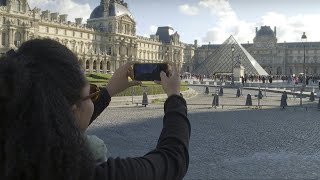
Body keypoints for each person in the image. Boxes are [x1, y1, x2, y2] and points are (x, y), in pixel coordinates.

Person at [0, 39, 190, 180]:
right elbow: (173, 159)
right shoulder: (94, 175)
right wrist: (174, 95)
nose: (93, 97)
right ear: (73, 109)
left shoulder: (14, 149)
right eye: (91, 93)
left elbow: (59, 121)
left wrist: (108, 91)